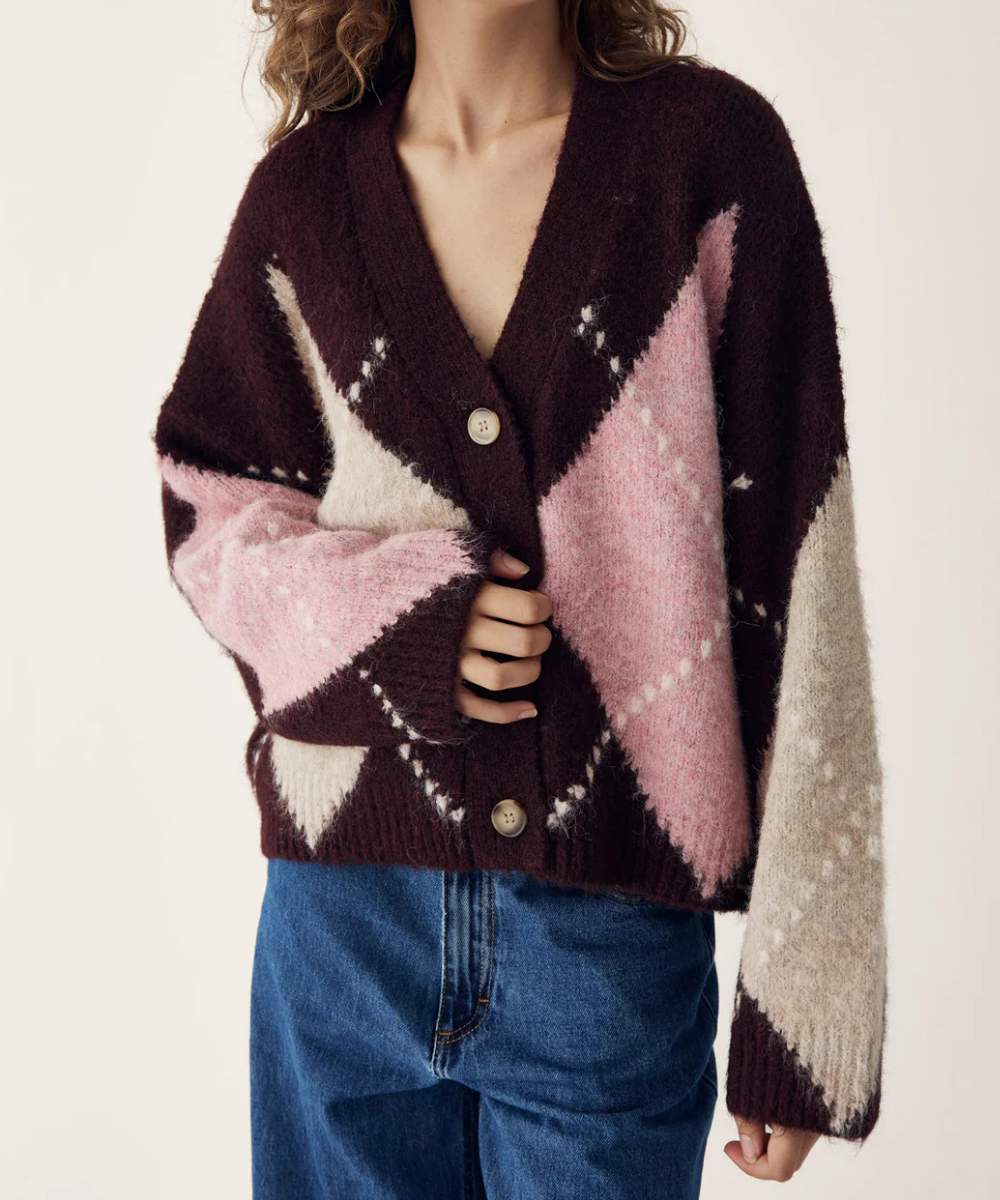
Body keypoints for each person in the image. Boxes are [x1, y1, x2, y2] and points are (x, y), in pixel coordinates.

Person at [153, 1, 887, 1195]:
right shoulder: (305, 197)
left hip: (605, 944)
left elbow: (802, 565)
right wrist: (400, 623)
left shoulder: (705, 158)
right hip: (341, 932)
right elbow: (210, 511)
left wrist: (805, 996)